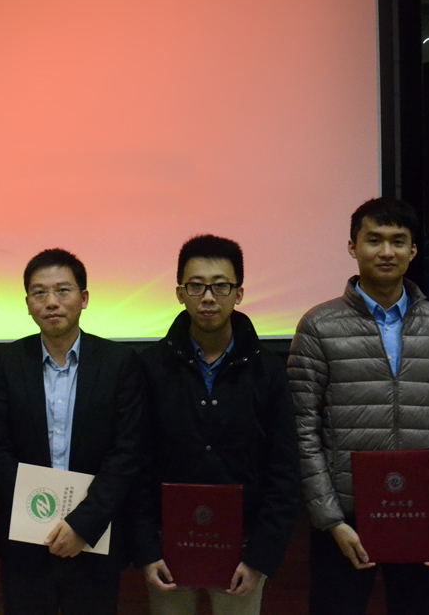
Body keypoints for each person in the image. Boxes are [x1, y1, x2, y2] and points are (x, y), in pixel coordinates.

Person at [288, 197, 429, 615]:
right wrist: (330, 520)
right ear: (352, 246)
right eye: (374, 240)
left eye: (398, 241)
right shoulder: (319, 326)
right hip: (346, 521)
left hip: (425, 516)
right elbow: (301, 431)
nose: (386, 252)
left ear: (413, 251)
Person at [131, 235, 299, 615]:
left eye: (220, 286)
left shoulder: (267, 369)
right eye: (196, 286)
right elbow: (137, 463)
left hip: (244, 549)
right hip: (168, 547)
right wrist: (147, 550)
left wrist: (260, 558)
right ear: (180, 293)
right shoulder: (150, 366)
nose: (208, 297)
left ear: (239, 293)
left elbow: (284, 469)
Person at [0, 248, 143, 615]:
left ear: (84, 298)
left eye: (63, 291)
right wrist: (39, 516)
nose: (51, 302)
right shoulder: (7, 362)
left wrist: (81, 525)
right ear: (27, 303)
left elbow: (126, 452)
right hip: (26, 542)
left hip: (94, 541)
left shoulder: (118, 363)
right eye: (39, 293)